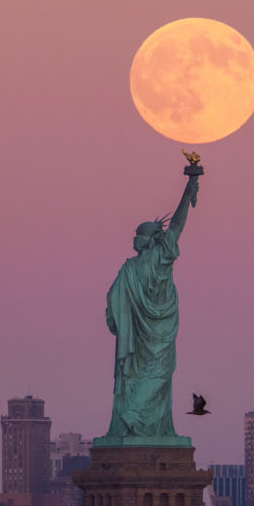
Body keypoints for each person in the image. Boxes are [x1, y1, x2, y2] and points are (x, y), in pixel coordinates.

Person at [100, 169, 200, 443]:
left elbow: (177, 226)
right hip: (152, 335)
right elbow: (113, 305)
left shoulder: (148, 261)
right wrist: (190, 189)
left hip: (152, 334)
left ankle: (145, 427)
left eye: (137, 235)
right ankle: (141, 427)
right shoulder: (132, 268)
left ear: (149, 238)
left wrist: (188, 190)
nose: (133, 239)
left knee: (146, 381)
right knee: (148, 381)